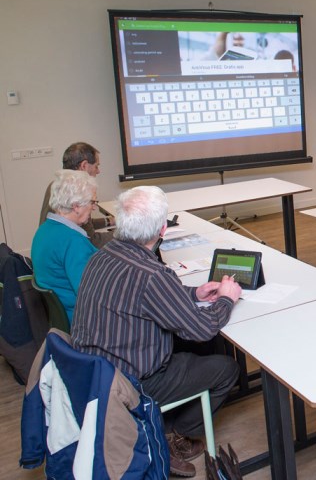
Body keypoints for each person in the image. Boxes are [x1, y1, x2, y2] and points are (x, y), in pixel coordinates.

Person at [72, 186, 242, 478]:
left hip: (93, 374)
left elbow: (145, 297)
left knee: (194, 351)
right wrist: (227, 298)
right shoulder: (151, 274)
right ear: (163, 228)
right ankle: (173, 436)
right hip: (131, 384)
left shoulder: (102, 256)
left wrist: (194, 293)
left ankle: (165, 426)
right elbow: (202, 329)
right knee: (225, 367)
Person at [31, 170, 99, 323]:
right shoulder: (72, 241)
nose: (94, 208)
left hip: (62, 316)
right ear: (76, 206)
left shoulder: (44, 230)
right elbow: (91, 295)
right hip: (81, 320)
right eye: (92, 202)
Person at [40, 142, 113, 248]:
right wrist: (128, 234)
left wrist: (109, 221)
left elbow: (83, 224)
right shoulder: (76, 191)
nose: (98, 171)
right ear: (84, 166)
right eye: (96, 166)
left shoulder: (58, 185)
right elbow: (91, 241)